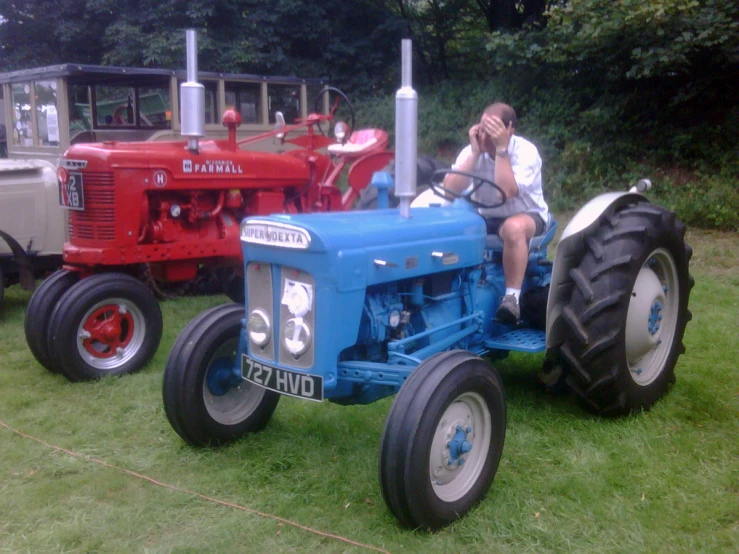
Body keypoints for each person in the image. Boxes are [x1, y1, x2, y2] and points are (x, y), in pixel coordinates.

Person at [443, 102, 549, 324]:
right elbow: (450, 190)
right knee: (447, 223)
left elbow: (507, 191)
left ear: (510, 129)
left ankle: (512, 299)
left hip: (527, 215)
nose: (486, 135)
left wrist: (501, 150)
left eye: (493, 129)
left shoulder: (525, 151)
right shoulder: (473, 152)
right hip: (486, 217)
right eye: (482, 128)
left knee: (513, 228)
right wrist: (474, 153)